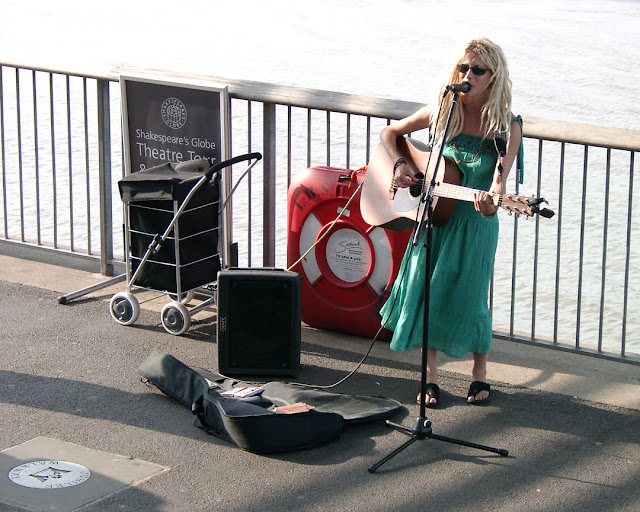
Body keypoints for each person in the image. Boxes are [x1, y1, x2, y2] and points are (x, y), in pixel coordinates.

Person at [378, 37, 523, 407]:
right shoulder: (445, 112)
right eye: (463, 67)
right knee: (428, 292)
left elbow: (498, 186)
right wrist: (405, 168)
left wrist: (490, 204)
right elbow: (391, 133)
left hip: (475, 226)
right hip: (437, 218)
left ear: (494, 77)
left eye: (477, 70)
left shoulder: (506, 127)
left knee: (471, 298)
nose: (468, 75)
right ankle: (429, 378)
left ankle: (478, 376)